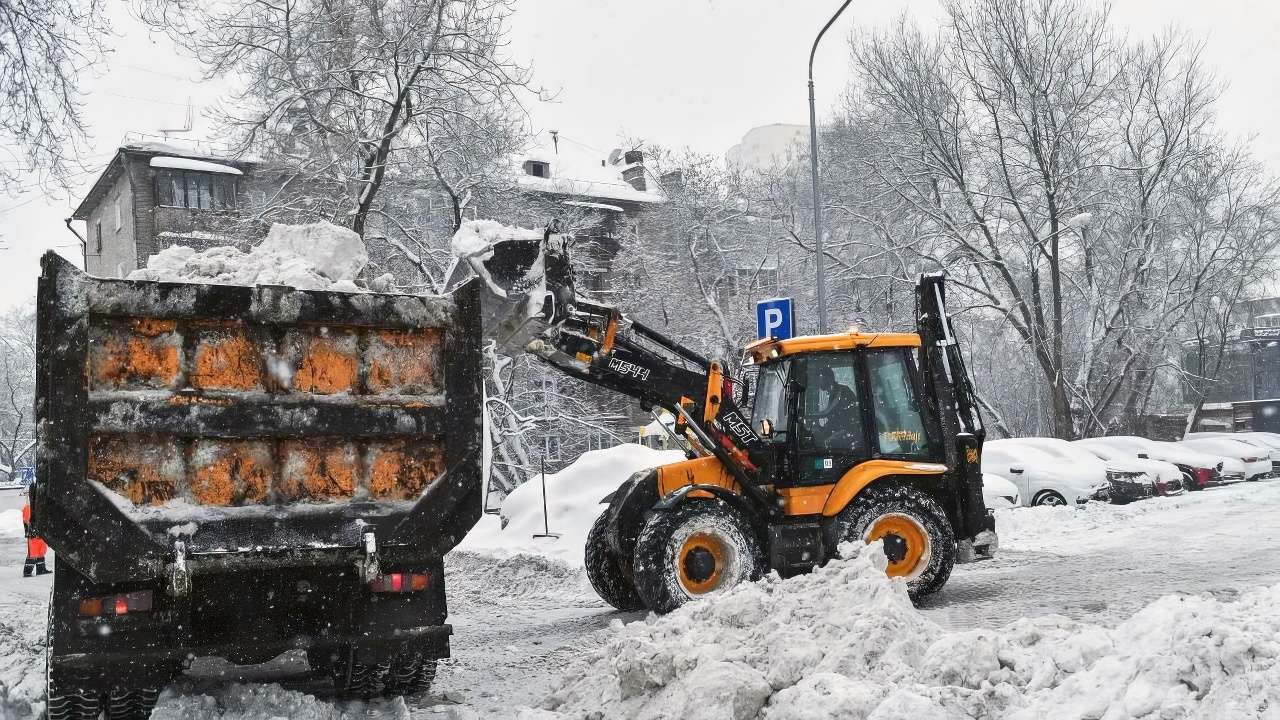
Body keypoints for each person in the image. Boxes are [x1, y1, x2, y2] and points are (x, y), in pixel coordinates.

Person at [21, 487, 49, 577]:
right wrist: (31, 530)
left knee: (41, 551)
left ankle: (41, 569)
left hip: (40, 533)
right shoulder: (27, 507)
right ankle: (27, 572)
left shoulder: (38, 506)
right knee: (33, 553)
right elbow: (26, 521)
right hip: (33, 534)